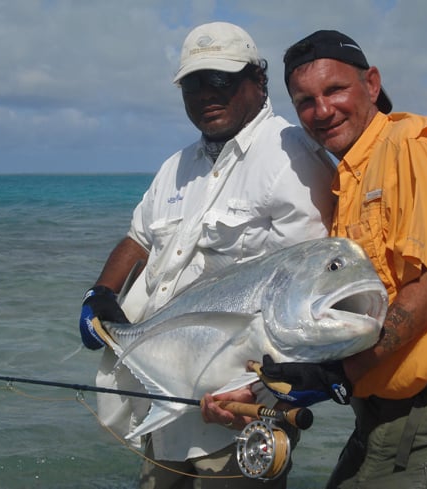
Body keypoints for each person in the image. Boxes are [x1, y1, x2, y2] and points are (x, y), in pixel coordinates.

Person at [78, 22, 335, 489]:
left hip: (236, 416)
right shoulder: (176, 166)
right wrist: (101, 292)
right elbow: (137, 239)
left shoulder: (292, 157)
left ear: (258, 81)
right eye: (192, 83)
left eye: (219, 79)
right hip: (164, 409)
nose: (204, 94)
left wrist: (259, 391)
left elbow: (308, 298)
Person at [255, 29, 427, 488]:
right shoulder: (344, 182)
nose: (322, 110)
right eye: (305, 101)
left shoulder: (408, 141)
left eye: (335, 89)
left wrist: (336, 372)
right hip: (375, 419)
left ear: (371, 84)